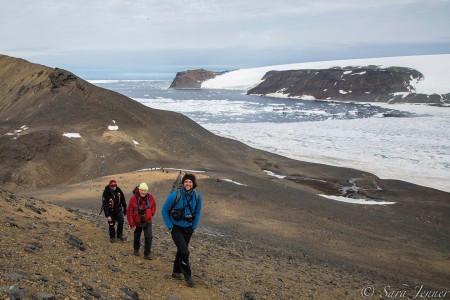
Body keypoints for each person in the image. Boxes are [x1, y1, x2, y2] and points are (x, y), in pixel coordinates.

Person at [161, 173, 203, 287]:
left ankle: (176, 272)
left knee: (181, 250)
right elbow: (164, 210)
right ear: (183, 183)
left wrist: (193, 227)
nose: (188, 183)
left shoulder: (198, 197)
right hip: (176, 227)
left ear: (193, 184)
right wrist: (170, 226)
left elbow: (198, 212)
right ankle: (188, 276)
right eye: (186, 182)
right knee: (185, 252)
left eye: (190, 182)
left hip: (188, 228)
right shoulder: (174, 195)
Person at [126, 182, 156, 260]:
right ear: (139, 190)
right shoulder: (133, 199)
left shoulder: (150, 197)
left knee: (149, 237)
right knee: (137, 236)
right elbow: (129, 212)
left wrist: (151, 213)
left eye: (145, 190)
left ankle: (147, 254)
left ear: (147, 191)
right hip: (137, 222)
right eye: (141, 190)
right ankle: (136, 250)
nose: (143, 192)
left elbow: (154, 206)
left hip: (148, 221)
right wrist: (132, 224)